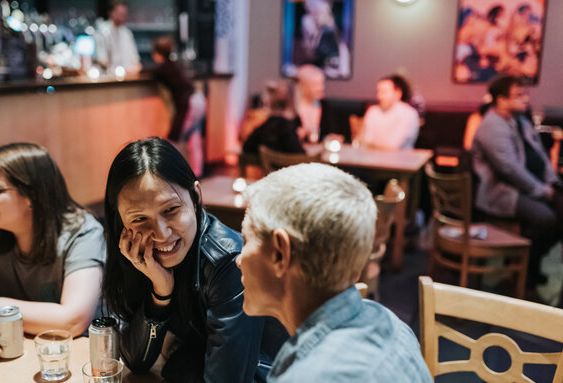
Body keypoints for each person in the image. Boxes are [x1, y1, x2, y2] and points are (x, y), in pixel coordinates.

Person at [103, 137, 286, 383]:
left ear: (196, 196)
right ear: (121, 223)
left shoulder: (230, 262)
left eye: (170, 210)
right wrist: (161, 292)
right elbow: (136, 360)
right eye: (139, 219)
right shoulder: (139, 257)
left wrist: (179, 361)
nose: (161, 233)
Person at [236, 163, 432, 382]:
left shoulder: (311, 376)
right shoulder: (393, 324)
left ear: (280, 254)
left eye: (245, 240)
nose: (238, 259)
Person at [0, 143, 106, 360]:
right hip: (22, 349)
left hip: (83, 354)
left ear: (33, 196)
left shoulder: (83, 233)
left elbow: (73, 321)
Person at [471, 75, 562, 289]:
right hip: (503, 193)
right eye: (519, 95)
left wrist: (553, 182)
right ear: (501, 100)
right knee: (547, 219)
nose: (526, 99)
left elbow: (541, 156)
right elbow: (509, 169)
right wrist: (542, 191)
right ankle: (524, 269)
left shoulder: (520, 121)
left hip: (531, 187)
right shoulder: (491, 126)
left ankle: (526, 267)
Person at [151, 37, 206, 178]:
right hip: (198, 99)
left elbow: (151, 74)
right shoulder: (175, 64)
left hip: (189, 103)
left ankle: (166, 175)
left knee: (172, 139)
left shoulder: (163, 68)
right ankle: (197, 173)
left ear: (157, 53)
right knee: (194, 136)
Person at [359, 74, 420, 151]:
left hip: (401, 161)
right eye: (378, 92)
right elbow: (364, 141)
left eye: (384, 92)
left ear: (398, 93)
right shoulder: (373, 111)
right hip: (372, 160)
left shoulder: (408, 114)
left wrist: (373, 144)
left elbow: (393, 145)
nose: (379, 96)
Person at [242, 79, 304, 155]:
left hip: (266, 166)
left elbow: (246, 148)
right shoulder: (287, 128)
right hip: (287, 166)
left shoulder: (264, 127)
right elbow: (301, 155)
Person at [94, 2, 141, 75]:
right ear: (111, 12)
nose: (123, 17)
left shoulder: (127, 33)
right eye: (120, 14)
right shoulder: (102, 31)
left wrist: (135, 67)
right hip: (108, 77)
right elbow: (101, 59)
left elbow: (135, 59)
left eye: (124, 15)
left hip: (127, 76)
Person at [294, 64, 325, 143]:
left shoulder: (325, 106)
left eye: (322, 84)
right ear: (303, 85)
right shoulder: (292, 109)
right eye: (315, 84)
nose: (320, 88)